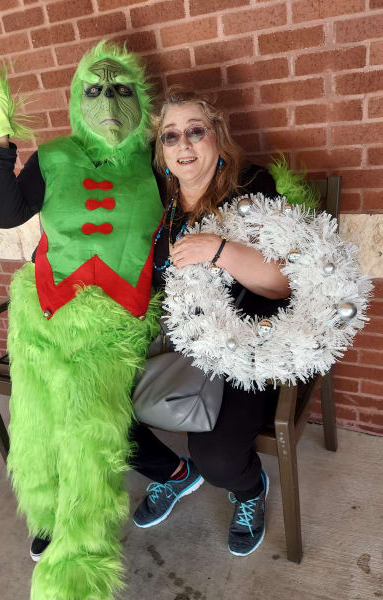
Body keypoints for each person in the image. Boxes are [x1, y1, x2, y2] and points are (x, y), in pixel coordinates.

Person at [0, 34, 163, 600]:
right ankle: (46, 514)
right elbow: (6, 215)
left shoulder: (158, 158)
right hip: (41, 308)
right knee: (38, 422)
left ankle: (79, 566)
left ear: (140, 97)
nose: (109, 103)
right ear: (76, 97)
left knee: (88, 433)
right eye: (95, 89)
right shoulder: (55, 155)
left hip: (113, 324)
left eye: (121, 90)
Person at [129, 87, 291, 557]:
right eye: (170, 136)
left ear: (217, 136)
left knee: (218, 459)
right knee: (93, 403)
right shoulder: (158, 200)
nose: (184, 145)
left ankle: (248, 489)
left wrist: (219, 250)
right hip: (171, 339)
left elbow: (280, 285)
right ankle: (171, 474)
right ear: (160, 150)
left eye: (195, 131)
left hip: (242, 343)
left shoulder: (252, 188)